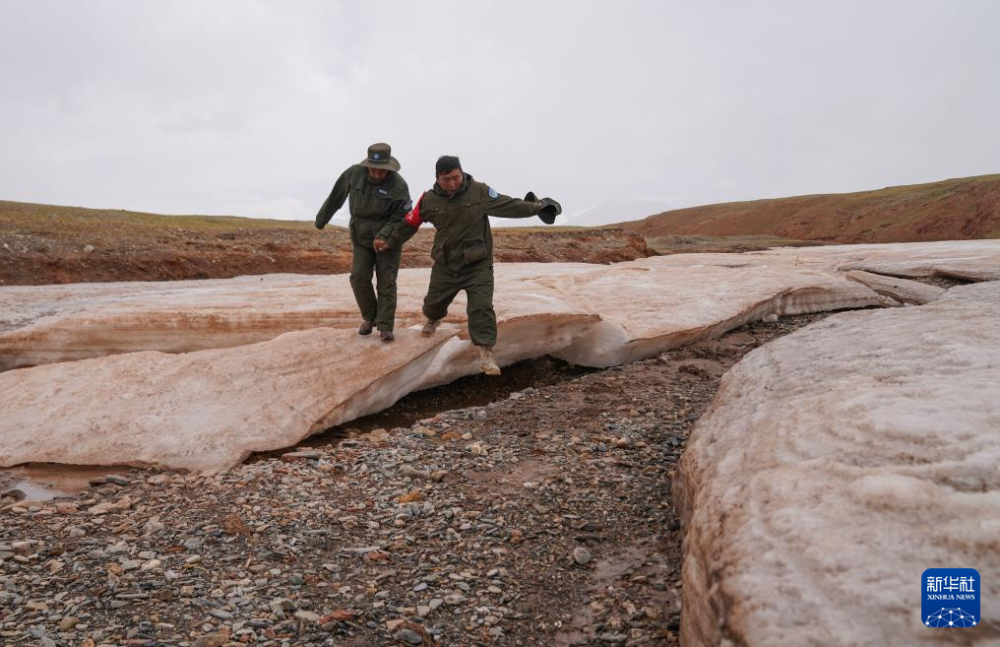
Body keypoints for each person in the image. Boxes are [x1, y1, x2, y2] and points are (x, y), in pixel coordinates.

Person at [374, 155, 561, 375]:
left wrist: (537, 207)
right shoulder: (429, 200)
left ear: (461, 173)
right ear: (437, 178)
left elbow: (509, 205)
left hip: (477, 265)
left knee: (481, 307)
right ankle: (433, 319)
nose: (453, 183)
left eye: (456, 177)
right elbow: (410, 223)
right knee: (433, 305)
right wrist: (390, 241)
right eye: (447, 180)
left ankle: (486, 353)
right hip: (446, 265)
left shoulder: (480, 192)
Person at [315, 143, 411, 342]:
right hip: (361, 235)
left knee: (386, 281)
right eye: (373, 169)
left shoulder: (398, 185)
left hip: (389, 239)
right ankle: (370, 317)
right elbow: (336, 197)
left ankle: (385, 326)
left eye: (381, 170)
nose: (377, 174)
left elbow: (402, 215)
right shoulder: (354, 174)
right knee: (358, 277)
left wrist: (384, 235)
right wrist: (322, 219)